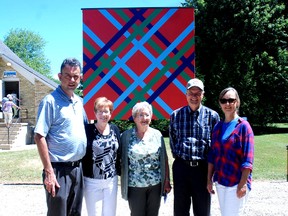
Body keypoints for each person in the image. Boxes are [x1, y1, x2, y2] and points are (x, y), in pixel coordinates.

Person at [34, 58, 87, 216]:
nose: (71, 80)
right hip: (58, 171)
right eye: (67, 75)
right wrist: (49, 171)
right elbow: (39, 136)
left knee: (74, 213)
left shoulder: (80, 102)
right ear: (59, 76)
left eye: (75, 76)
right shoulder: (49, 102)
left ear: (80, 78)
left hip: (78, 169)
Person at [169, 78, 220, 216]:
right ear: (186, 94)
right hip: (181, 167)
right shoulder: (176, 115)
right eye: (191, 93)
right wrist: (180, 159)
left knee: (202, 210)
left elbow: (216, 146)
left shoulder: (212, 116)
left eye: (198, 93)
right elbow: (172, 141)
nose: (194, 97)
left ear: (203, 95)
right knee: (180, 209)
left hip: (202, 169)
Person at [207, 87, 254, 216]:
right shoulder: (218, 127)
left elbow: (248, 160)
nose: (227, 104)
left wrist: (243, 184)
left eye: (231, 100)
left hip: (236, 182)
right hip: (221, 181)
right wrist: (209, 179)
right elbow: (212, 155)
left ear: (237, 102)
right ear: (220, 103)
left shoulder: (244, 126)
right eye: (223, 100)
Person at [120, 101, 171, 216]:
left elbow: (164, 159)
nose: (144, 118)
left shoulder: (157, 135)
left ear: (151, 117)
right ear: (134, 118)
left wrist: (167, 180)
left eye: (147, 115)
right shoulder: (126, 136)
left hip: (155, 185)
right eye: (140, 115)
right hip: (135, 185)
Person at [82, 97, 121, 216]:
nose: (103, 114)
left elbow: (119, 153)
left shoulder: (115, 129)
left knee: (110, 213)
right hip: (92, 181)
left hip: (111, 181)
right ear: (95, 113)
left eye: (106, 111)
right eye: (100, 111)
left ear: (111, 113)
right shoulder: (87, 130)